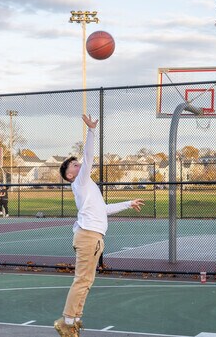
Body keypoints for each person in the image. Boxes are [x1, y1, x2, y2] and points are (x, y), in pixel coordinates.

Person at [55, 114, 145, 337]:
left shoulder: (88, 187)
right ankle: (66, 322)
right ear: (69, 175)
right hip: (87, 237)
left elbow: (103, 210)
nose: (79, 165)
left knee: (87, 281)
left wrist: (128, 203)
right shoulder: (80, 181)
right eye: (74, 165)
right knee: (82, 280)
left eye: (78, 164)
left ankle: (75, 320)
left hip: (93, 237)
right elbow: (89, 156)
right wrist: (92, 131)